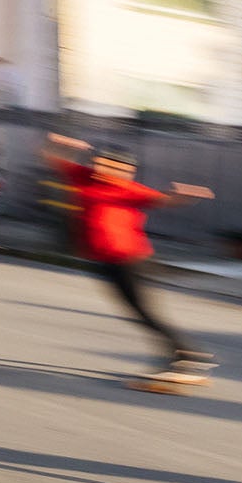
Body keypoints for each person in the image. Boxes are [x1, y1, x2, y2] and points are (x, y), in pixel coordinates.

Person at [44, 133, 215, 377]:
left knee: (144, 312)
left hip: (129, 261)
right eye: (104, 164)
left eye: (119, 168)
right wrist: (63, 144)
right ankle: (183, 354)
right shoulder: (83, 176)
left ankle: (187, 354)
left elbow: (164, 200)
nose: (109, 171)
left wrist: (184, 196)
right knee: (138, 312)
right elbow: (53, 158)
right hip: (105, 260)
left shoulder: (128, 189)